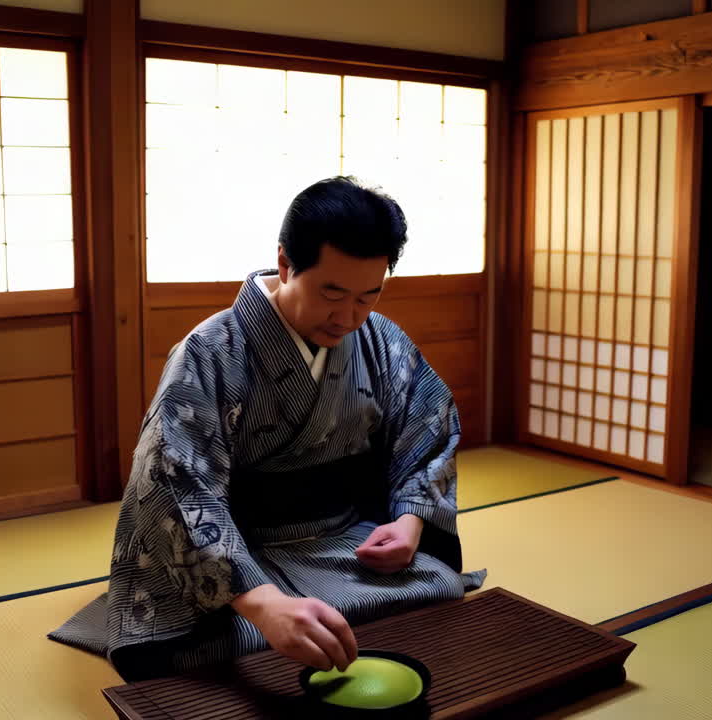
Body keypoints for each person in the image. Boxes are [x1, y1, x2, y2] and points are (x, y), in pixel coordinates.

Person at [50, 176, 485, 681]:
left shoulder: (380, 339)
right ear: (285, 263)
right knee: (209, 643)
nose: (349, 316)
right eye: (332, 292)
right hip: (237, 553)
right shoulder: (209, 353)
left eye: (369, 296)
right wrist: (262, 604)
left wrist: (409, 523)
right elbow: (175, 481)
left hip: (338, 541)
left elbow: (427, 429)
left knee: (437, 585)